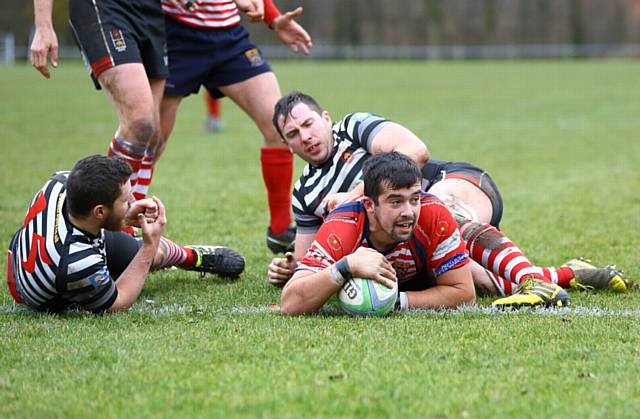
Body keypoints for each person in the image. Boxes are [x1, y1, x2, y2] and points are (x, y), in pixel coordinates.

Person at [268, 92, 631, 309]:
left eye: (309, 124)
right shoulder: (305, 193)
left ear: (325, 118)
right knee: (478, 282)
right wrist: (288, 271)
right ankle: (570, 273)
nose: (306, 137)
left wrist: (355, 195)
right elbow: (309, 263)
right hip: (397, 230)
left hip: (451, 184)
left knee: (438, 210)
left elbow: (415, 151)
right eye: (294, 134)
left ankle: (533, 280)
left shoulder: (351, 128)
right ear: (286, 144)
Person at [154, 0, 313, 254]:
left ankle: (281, 229)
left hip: (230, 38)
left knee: (281, 127)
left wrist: (273, 18)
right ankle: (120, 228)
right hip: (177, 36)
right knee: (150, 140)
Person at [6, 155, 245, 313]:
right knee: (146, 255)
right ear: (99, 211)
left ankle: (191, 257)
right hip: (49, 289)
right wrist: (149, 247)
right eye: (125, 200)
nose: (132, 201)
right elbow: (118, 301)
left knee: (149, 253)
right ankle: (160, 252)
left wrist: (123, 215)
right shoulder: (77, 262)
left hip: (40, 247)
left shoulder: (63, 182)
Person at [29, 0, 192, 207]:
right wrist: (43, 26)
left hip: (151, 11)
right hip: (104, 8)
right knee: (140, 122)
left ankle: (132, 216)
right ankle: (113, 220)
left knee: (154, 136)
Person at [281, 152, 479, 314]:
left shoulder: (433, 213)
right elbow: (290, 303)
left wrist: (393, 301)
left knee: (481, 273)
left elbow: (465, 294)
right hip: (425, 274)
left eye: (414, 199)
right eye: (395, 202)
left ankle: (511, 276)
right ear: (369, 205)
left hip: (432, 266)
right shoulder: (343, 226)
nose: (408, 212)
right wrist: (346, 266)